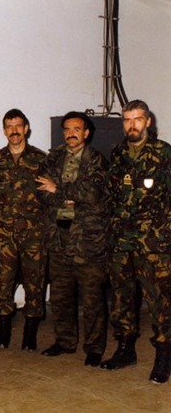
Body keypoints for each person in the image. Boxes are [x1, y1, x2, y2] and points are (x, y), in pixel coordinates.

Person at [102, 99, 171, 384]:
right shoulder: (118, 153)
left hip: (152, 243)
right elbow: (110, 194)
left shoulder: (163, 153)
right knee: (121, 297)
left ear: (148, 122)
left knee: (160, 301)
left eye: (137, 119)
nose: (132, 125)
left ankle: (163, 357)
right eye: (127, 120)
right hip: (121, 240)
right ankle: (125, 349)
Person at [36, 111, 109, 366]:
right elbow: (41, 192)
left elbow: (93, 193)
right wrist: (65, 195)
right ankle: (65, 341)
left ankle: (94, 347)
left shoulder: (96, 159)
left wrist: (60, 189)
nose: (71, 133)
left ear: (86, 132)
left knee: (92, 299)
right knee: (61, 295)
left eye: (76, 129)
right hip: (59, 236)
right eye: (67, 129)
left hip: (88, 239)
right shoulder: (54, 157)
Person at [0, 109, 47, 351]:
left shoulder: (41, 159)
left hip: (34, 233)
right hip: (4, 233)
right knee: (2, 282)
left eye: (18, 126)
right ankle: (3, 332)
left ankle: (30, 334)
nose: (14, 130)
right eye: (9, 126)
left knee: (35, 283)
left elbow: (50, 194)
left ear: (26, 128)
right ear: (4, 130)